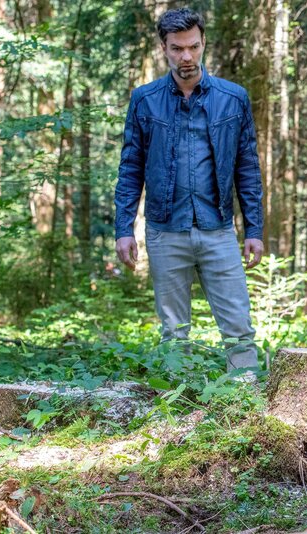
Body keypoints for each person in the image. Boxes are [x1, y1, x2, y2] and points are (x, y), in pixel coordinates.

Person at [114, 8, 264, 372]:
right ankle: (179, 404)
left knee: (238, 327)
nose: (186, 57)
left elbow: (247, 166)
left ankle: (244, 397)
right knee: (174, 330)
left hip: (218, 227)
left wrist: (254, 229)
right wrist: (123, 228)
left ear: (203, 43)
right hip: (165, 229)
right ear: (163, 48)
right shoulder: (145, 100)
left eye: (193, 47)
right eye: (177, 48)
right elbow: (131, 167)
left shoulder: (233, 98)